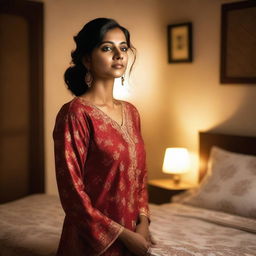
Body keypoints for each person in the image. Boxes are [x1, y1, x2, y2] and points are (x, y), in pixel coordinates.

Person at [53, 18, 154, 256]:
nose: (119, 54)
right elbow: (72, 193)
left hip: (135, 237)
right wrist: (124, 235)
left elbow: (140, 176)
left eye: (124, 48)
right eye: (107, 48)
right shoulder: (75, 113)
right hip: (91, 242)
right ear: (87, 59)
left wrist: (143, 224)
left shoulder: (131, 111)